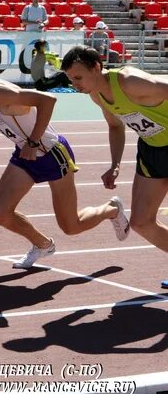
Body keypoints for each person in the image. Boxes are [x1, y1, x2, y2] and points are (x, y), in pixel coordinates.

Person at [0, 52, 128, 269]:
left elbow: (47, 100)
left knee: (71, 226)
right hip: (25, 154)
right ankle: (43, 245)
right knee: (0, 213)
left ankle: (112, 209)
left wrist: (34, 142)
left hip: (52, 153)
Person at [61, 47, 168, 270]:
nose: (75, 84)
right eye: (71, 79)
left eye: (78, 77)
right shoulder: (96, 94)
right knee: (141, 222)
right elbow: (114, 126)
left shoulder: (130, 82)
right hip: (152, 151)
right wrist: (115, 165)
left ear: (96, 68)